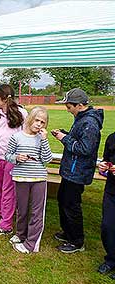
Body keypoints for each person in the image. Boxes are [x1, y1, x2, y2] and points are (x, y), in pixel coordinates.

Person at [52, 88, 103, 254]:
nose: (67, 109)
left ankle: (77, 241)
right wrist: (65, 134)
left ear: (80, 105)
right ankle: (68, 233)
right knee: (63, 199)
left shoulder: (90, 123)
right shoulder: (81, 118)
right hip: (71, 170)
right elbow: (78, 140)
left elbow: (85, 149)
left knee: (71, 205)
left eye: (69, 106)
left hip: (78, 172)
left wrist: (64, 138)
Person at [5, 106, 52, 253]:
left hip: (38, 178)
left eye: (42, 122)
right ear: (30, 119)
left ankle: (31, 244)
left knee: (36, 212)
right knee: (22, 209)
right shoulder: (16, 137)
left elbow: (47, 159)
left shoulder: (41, 138)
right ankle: (20, 234)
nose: (39, 124)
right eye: (37, 120)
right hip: (21, 177)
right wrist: (17, 158)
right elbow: (8, 155)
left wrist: (44, 140)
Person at [0, 84, 27, 236]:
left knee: (8, 191)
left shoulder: (21, 113)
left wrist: (18, 156)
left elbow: (26, 135)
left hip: (13, 160)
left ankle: (6, 224)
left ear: (4, 99)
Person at [97, 132, 115, 279]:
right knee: (107, 226)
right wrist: (103, 166)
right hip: (111, 191)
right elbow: (106, 160)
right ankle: (111, 260)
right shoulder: (112, 138)